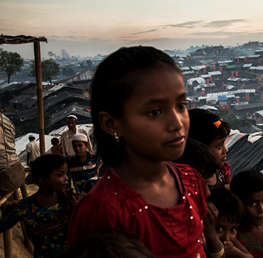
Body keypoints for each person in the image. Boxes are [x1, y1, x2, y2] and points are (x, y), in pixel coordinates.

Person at [67, 46, 208, 258]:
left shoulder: (191, 181)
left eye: (181, 105)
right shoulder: (103, 212)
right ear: (111, 123)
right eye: (154, 112)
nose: (177, 123)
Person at [0, 154, 74, 258]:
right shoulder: (25, 208)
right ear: (42, 179)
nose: (66, 178)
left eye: (66, 174)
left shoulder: (69, 199)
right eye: (60, 175)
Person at [188, 108, 231, 189]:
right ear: (198, 148)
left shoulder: (221, 172)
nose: (226, 150)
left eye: (224, 144)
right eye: (218, 146)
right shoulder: (190, 184)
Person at [208, 188, 253, 258]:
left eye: (232, 230)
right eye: (219, 229)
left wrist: (235, 252)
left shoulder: (232, 243)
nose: (226, 238)